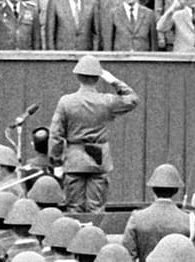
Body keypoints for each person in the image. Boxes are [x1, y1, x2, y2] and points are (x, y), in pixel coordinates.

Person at [48, 55, 139, 213]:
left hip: (74, 159)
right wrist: (113, 80)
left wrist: (56, 162)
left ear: (77, 76)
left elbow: (55, 134)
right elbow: (132, 99)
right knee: (96, 209)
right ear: (98, 78)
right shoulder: (106, 101)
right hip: (98, 160)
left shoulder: (66, 101)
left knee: (73, 209)